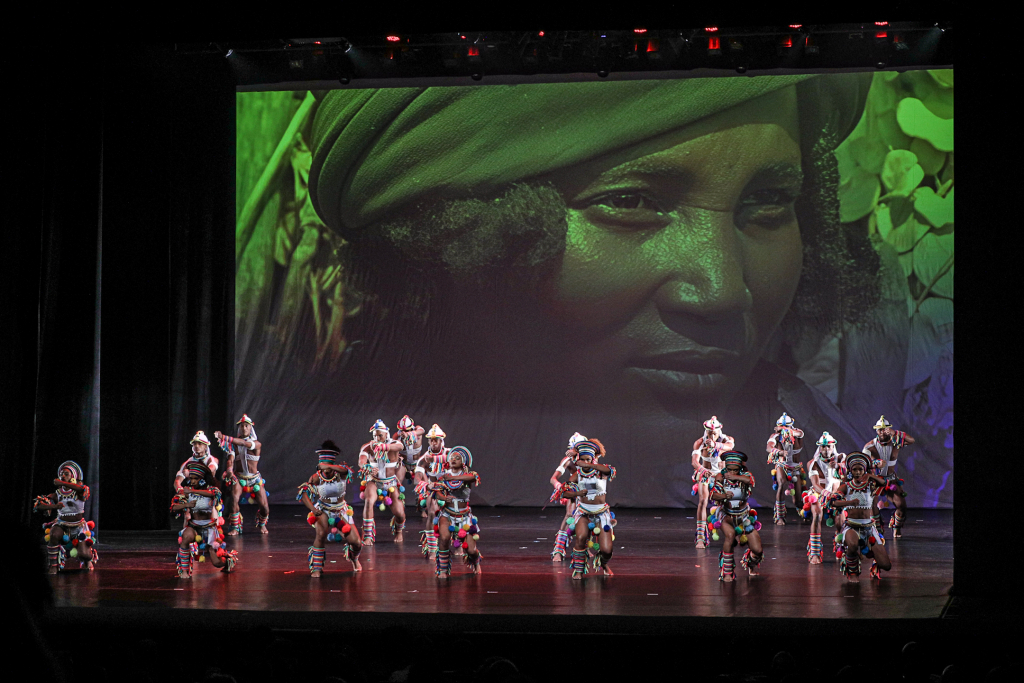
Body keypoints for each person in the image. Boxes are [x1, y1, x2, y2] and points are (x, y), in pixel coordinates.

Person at [301, 74, 876, 506]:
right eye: (630, 202)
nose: (723, 291)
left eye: (768, 202)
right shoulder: (320, 470)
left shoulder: (832, 470)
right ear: (452, 235)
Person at [821, 451, 892, 581]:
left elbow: (884, 483)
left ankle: (874, 563)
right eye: (855, 469)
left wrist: (870, 476)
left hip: (869, 528)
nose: (858, 472)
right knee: (853, 545)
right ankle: (852, 572)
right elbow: (833, 502)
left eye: (861, 469)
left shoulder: (871, 485)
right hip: (851, 526)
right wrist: (849, 502)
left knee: (886, 565)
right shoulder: (846, 487)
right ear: (850, 471)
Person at [297, 441, 362, 576]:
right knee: (321, 535)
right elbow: (303, 494)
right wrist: (313, 510)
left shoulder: (341, 473)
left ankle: (354, 558)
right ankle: (316, 568)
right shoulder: (316, 478)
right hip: (324, 509)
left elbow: (345, 470)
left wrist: (329, 466)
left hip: (341, 510)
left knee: (356, 542)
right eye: (323, 466)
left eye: (328, 466)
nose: (325, 470)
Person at [557, 439, 617, 580]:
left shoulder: (600, 472)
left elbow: (611, 471)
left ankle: (603, 563)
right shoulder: (577, 475)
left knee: (607, 550)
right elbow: (564, 493)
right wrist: (577, 494)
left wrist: (590, 465)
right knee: (581, 538)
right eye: (582, 459)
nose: (584, 462)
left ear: (593, 459)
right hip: (583, 512)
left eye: (588, 459)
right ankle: (578, 569)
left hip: (601, 513)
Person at [169, 462, 237, 578]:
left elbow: (213, 494)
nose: (193, 481)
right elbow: (173, 507)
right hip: (194, 526)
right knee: (186, 537)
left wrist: (192, 492)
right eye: (191, 478)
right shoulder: (187, 491)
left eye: (196, 479)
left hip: (209, 528)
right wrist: (187, 505)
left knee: (216, 562)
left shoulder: (212, 490)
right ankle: (184, 571)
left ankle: (228, 561)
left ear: (203, 479)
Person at [32, 461, 98, 573]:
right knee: (53, 534)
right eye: (62, 474)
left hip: (78, 527)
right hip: (62, 525)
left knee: (84, 554)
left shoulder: (79, 491)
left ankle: (87, 559)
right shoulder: (57, 493)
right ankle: (53, 565)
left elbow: (82, 489)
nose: (63, 476)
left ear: (73, 477)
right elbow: (37, 505)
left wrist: (64, 483)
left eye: (66, 474)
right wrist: (55, 506)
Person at [708, 452, 763, 581]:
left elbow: (750, 481)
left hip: (743, 517)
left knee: (758, 550)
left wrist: (736, 477)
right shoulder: (720, 477)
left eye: (735, 470)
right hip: (726, 515)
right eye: (729, 469)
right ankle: (727, 572)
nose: (732, 472)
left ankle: (750, 563)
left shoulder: (745, 476)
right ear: (725, 467)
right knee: (730, 535)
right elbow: (713, 494)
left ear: (740, 469)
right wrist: (723, 496)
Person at [431, 446, 482, 577]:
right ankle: (442, 570)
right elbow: (437, 493)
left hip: (464, 516)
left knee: (471, 550)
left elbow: (472, 478)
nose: (453, 459)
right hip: (447, 513)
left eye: (457, 458)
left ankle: (476, 561)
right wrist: (444, 497)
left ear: (463, 462)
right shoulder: (445, 476)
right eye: (452, 457)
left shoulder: (468, 476)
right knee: (444, 538)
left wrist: (452, 479)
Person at [215, 414, 269, 535]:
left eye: (246, 426)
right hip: (239, 478)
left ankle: (261, 524)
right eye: (242, 426)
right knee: (234, 499)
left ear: (250, 428)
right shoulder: (234, 445)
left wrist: (223, 437)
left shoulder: (256, 444)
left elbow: (244, 444)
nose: (244, 428)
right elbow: (230, 459)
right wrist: (229, 470)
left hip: (255, 479)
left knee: (264, 507)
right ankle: (235, 527)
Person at [863, 416, 916, 538]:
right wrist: (875, 463)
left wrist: (895, 433)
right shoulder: (869, 446)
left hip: (890, 480)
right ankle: (877, 531)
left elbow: (911, 440)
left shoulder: (895, 442)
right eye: (880, 429)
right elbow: (863, 463)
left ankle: (896, 526)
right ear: (876, 431)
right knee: (872, 505)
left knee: (901, 505)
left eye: (885, 429)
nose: (882, 432)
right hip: (875, 480)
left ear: (888, 429)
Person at [358, 419, 407, 545]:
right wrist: (367, 468)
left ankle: (398, 531)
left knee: (400, 514)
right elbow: (362, 461)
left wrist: (385, 447)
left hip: (390, 483)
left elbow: (400, 446)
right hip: (374, 481)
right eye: (375, 435)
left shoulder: (394, 444)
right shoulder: (368, 447)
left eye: (380, 435)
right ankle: (368, 535)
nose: (377, 438)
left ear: (386, 434)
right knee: (369, 501)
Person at [691, 417, 735, 548]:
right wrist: (702, 469)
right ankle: (700, 537)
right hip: (706, 474)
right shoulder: (699, 442)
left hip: (721, 476)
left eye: (715, 433)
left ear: (719, 431)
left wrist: (715, 445)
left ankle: (732, 533)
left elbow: (730, 446)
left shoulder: (727, 440)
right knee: (703, 501)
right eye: (710, 433)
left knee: (730, 504)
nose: (712, 436)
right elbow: (694, 461)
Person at [803, 432, 844, 564]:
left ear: (833, 447)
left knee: (839, 521)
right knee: (817, 514)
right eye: (823, 447)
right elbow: (815, 484)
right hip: (819, 494)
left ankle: (840, 548)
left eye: (829, 447)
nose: (826, 450)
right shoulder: (813, 463)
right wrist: (826, 494)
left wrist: (838, 466)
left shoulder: (841, 458)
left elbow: (848, 475)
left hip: (835, 494)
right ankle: (815, 552)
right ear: (820, 448)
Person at [549, 432, 586, 561]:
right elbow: (553, 479)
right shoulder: (567, 461)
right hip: (574, 490)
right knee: (570, 515)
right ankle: (558, 551)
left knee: (589, 518)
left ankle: (584, 548)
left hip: (588, 491)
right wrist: (559, 486)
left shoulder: (591, 459)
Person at [414, 424, 449, 558]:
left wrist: (435, 459)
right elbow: (417, 477)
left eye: (436, 440)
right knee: (431, 513)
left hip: (451, 489)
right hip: (434, 488)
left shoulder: (450, 453)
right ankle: (433, 549)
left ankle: (458, 545)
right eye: (431, 440)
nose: (434, 443)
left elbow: (463, 459)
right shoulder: (424, 458)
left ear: (441, 441)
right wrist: (424, 484)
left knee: (457, 517)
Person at [766, 413, 806, 525]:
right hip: (782, 465)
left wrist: (784, 430)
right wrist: (779, 452)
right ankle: (780, 516)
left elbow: (797, 433)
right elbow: (769, 447)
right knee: (782, 483)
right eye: (781, 427)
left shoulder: (798, 433)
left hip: (795, 467)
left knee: (797, 500)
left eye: (786, 427)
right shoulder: (775, 436)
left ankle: (804, 511)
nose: (783, 430)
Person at [394, 415, 425, 493]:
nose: (404, 432)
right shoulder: (397, 435)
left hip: (417, 464)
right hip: (404, 464)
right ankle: (398, 502)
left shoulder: (417, 430)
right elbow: (392, 448)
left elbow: (422, 430)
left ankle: (422, 501)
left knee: (424, 483)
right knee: (397, 482)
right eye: (402, 431)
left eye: (407, 430)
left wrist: (409, 434)